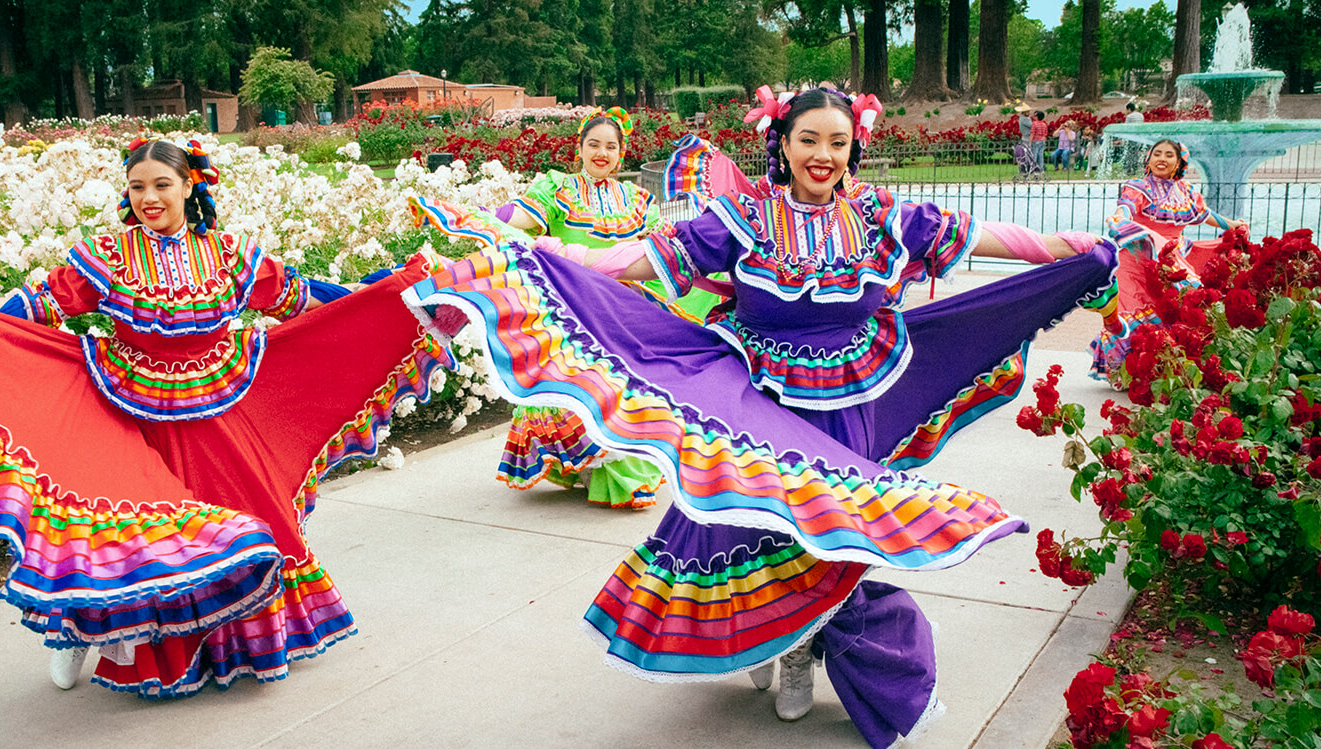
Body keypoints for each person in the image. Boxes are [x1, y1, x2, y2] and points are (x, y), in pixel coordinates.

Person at [402, 87, 1120, 748]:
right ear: (781, 142)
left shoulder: (879, 215)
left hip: (852, 401)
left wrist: (1078, 249)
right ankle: (777, 640)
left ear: (852, 148)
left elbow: (988, 237)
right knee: (747, 527)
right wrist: (551, 256)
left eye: (837, 143)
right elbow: (643, 259)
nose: (823, 156)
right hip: (755, 401)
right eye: (809, 139)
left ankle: (804, 651)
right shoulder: (741, 217)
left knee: (833, 540)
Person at [0, 138, 455, 697]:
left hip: (218, 410)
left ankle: (217, 645)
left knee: (249, 526)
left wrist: (393, 299)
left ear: (191, 185)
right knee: (110, 528)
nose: (149, 198)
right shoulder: (104, 255)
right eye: (137, 187)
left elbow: (301, 297)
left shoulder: (229, 254)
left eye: (162, 184)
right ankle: (84, 636)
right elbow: (36, 308)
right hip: (120, 408)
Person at [412, 108, 719, 509]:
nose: (602, 153)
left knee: (624, 385)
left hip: (624, 307)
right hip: (574, 304)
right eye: (594, 144)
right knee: (579, 384)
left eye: (611, 146)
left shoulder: (640, 200)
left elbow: (662, 251)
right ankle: (598, 469)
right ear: (579, 148)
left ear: (622, 153)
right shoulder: (559, 190)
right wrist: (488, 220)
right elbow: (516, 219)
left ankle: (616, 472)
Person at [1091, 138, 1249, 383]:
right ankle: (1125, 372)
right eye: (1157, 154)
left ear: (1179, 163)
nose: (1161, 159)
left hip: (1172, 260)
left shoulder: (1187, 193)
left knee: (1178, 308)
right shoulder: (1138, 187)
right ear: (1149, 159)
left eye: (1168, 155)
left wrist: (1233, 225)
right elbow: (1127, 207)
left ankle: (1163, 368)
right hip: (1135, 259)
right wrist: (1118, 216)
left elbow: (1205, 215)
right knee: (1133, 312)